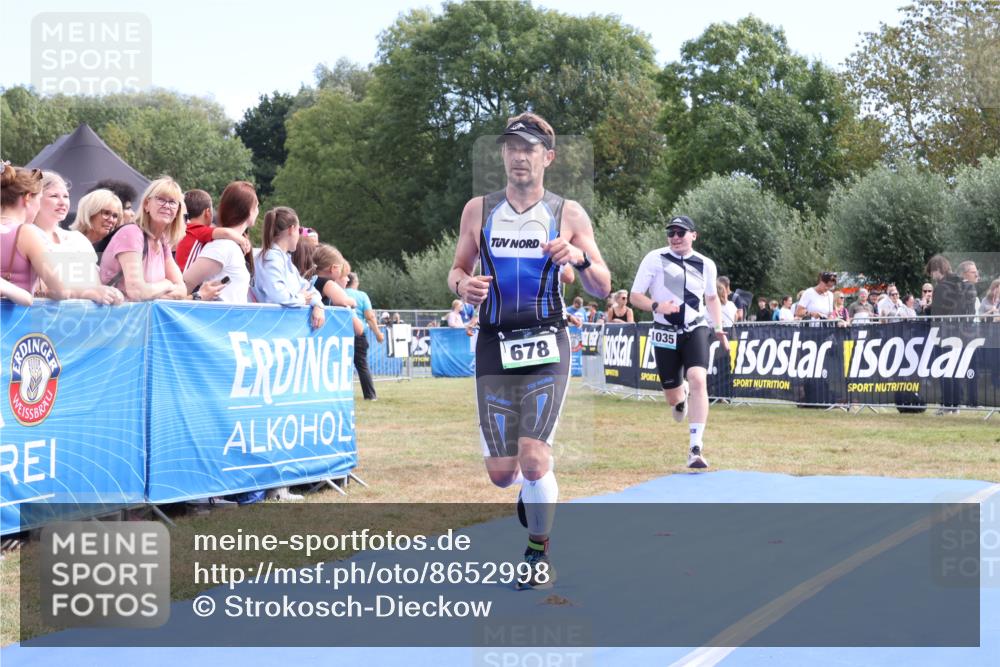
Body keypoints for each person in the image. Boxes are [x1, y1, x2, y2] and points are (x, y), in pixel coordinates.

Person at [448, 112, 611, 589]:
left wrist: (578, 258)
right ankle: (535, 488)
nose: (521, 155)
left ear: (549, 157)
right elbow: (457, 269)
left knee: (534, 457)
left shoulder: (569, 214)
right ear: (503, 155)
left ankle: (538, 552)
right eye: (512, 147)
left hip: (546, 343)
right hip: (495, 345)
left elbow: (602, 286)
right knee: (504, 474)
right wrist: (464, 288)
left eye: (531, 148)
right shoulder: (478, 210)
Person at [630, 214, 727, 470]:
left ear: (693, 235)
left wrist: (718, 327)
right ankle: (680, 395)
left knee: (698, 378)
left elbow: (712, 298)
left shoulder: (706, 264)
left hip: (695, 328)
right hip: (664, 331)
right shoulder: (654, 258)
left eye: (680, 233)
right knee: (673, 399)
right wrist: (657, 305)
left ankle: (696, 448)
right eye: (671, 233)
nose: (675, 237)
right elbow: (634, 296)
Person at [1, 163, 122, 305]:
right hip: (17, 321)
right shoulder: (26, 233)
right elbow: (60, 290)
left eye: (66, 196)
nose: (62, 202)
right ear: (28, 198)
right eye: (40, 198)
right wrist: (89, 292)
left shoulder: (74, 238)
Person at [99, 177, 214, 302]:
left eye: (172, 202)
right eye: (160, 199)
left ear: (177, 211)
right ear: (146, 204)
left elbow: (182, 290)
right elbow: (137, 291)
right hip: (117, 317)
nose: (166, 206)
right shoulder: (132, 234)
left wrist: (151, 292)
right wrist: (166, 284)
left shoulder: (162, 242)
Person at [182, 181, 257, 302]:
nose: (258, 211)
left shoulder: (229, 245)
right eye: (257, 206)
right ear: (249, 210)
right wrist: (197, 297)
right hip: (214, 319)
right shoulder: (223, 246)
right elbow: (184, 285)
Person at [32, 172, 101, 293]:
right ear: (35, 198)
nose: (62, 202)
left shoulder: (78, 239)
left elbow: (96, 285)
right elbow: (40, 288)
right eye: (54, 196)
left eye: (66, 196)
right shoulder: (26, 236)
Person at [925, 254, 977, 413]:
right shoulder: (963, 283)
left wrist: (926, 310)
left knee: (945, 369)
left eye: (932, 273)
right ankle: (956, 404)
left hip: (945, 332)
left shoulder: (942, 287)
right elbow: (969, 310)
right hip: (963, 332)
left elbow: (938, 314)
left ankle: (947, 404)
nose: (932, 277)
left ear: (938, 270)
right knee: (956, 369)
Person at [174, 189, 252, 272]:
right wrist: (243, 240)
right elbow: (225, 232)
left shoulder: (186, 227)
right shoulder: (198, 230)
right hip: (186, 277)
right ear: (207, 212)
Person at [345, 270, 384, 401]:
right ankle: (370, 395)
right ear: (355, 282)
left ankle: (342, 395)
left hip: (341, 333)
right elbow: (370, 316)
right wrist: (378, 333)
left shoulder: (338, 292)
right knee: (362, 365)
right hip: (358, 333)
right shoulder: (362, 296)